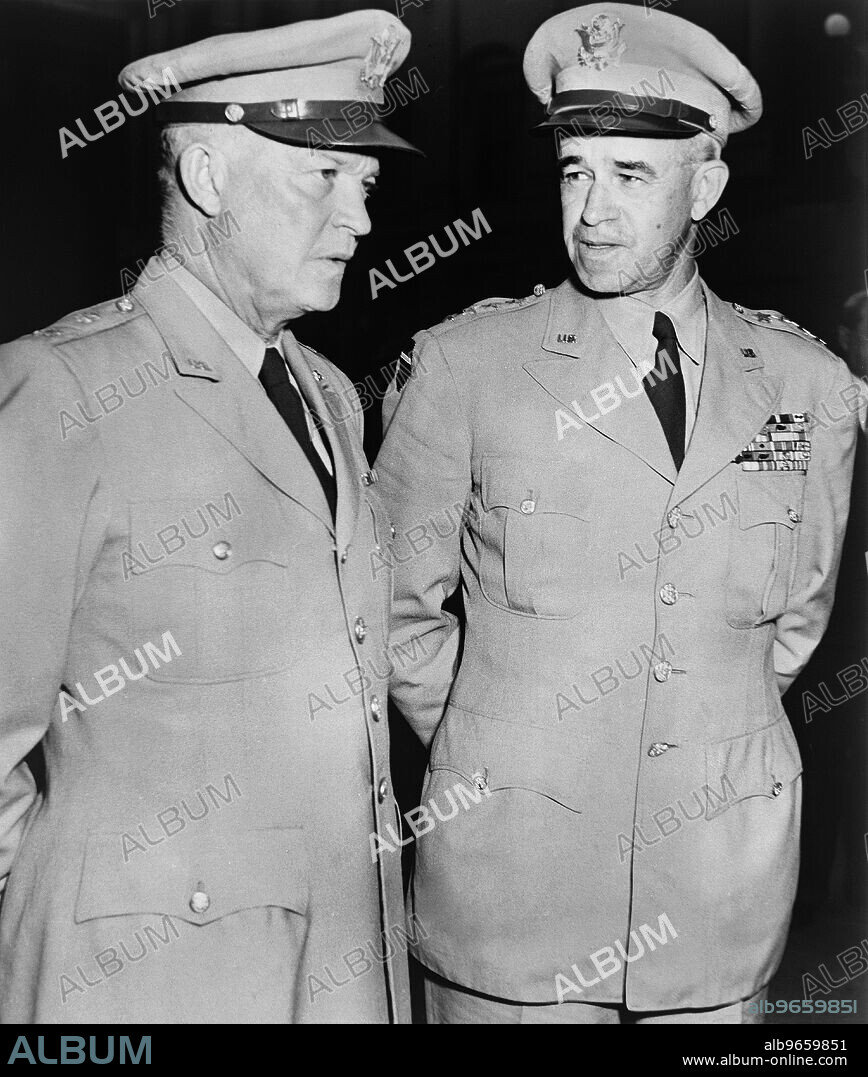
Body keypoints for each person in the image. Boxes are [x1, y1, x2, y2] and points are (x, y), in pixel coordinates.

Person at [376, 3, 865, 1024]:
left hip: (715, 899)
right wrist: (507, 747)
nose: (592, 210)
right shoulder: (468, 368)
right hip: (514, 901)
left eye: (631, 175)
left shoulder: (804, 387)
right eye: (574, 171)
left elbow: (796, 620)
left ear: (707, 188)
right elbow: (393, 615)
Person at [0, 9, 420, 1024]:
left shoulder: (330, 395)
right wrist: (47, 940)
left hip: (340, 966)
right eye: (324, 175)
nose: (359, 220)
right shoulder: (58, 392)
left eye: (365, 185)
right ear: (206, 177)